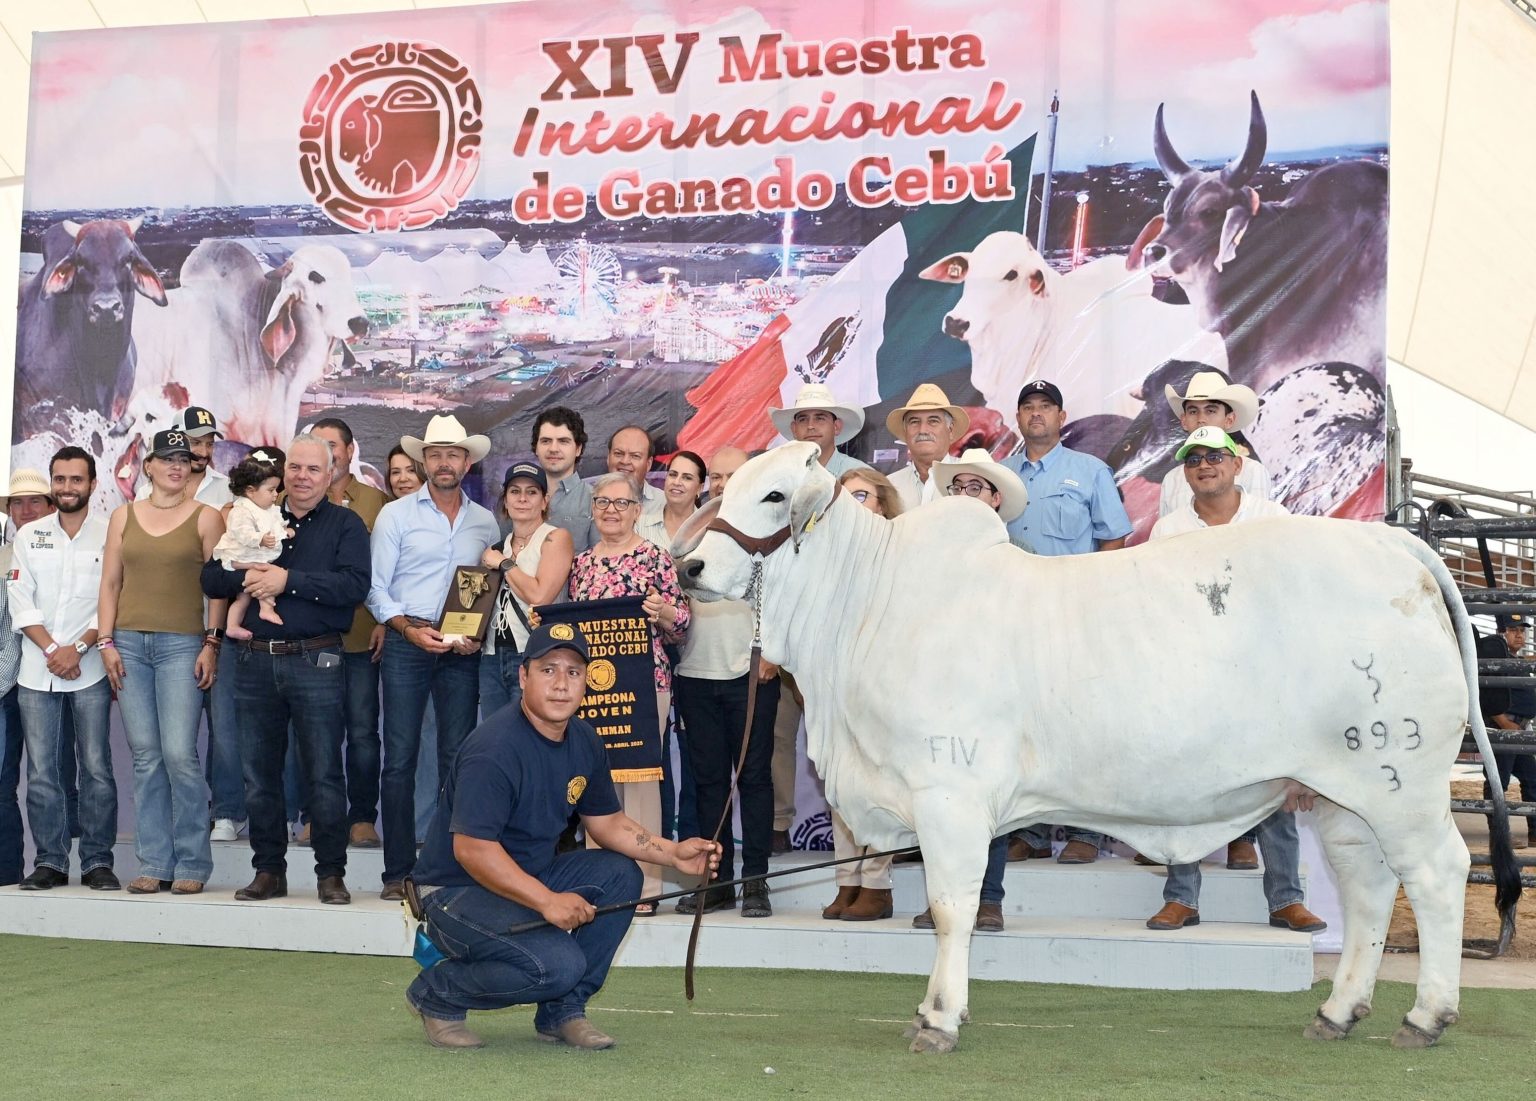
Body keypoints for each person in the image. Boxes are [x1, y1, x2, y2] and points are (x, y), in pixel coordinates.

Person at [405, 623, 721, 1051]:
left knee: (621, 876)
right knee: (557, 964)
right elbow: (473, 850)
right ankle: (437, 994)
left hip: (524, 876)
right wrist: (546, 900)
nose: (561, 684)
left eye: (573, 672)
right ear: (524, 677)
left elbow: (607, 823)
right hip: (454, 889)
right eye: (548, 669)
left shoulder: (584, 738)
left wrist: (673, 854)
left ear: (587, 682)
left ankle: (562, 1013)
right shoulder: (494, 748)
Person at [1144, 425, 1323, 934]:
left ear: (1237, 463)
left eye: (1215, 456)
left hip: (1262, 671)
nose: (1205, 465)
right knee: (1186, 785)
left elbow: (1296, 594)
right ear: (1185, 470)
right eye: (1194, 458)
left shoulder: (1273, 519)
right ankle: (1182, 897)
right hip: (1190, 672)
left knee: (1270, 782)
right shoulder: (1169, 529)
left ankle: (1286, 899)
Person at [200, 435, 371, 905]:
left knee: (324, 774)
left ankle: (330, 874)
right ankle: (268, 871)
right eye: (294, 467)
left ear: (332, 472)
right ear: (282, 469)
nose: (301, 476)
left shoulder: (346, 524)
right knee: (259, 775)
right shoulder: (248, 516)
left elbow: (354, 586)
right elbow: (211, 577)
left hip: (318, 658)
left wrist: (288, 581)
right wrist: (249, 577)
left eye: (313, 469)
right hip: (255, 659)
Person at [369, 414, 499, 901]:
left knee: (458, 758)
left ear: (467, 462)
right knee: (400, 758)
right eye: (436, 454)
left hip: (462, 649)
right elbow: (376, 589)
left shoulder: (485, 522)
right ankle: (397, 872)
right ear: (424, 461)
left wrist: (474, 633)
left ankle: (447, 866)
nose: (444, 462)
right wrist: (406, 628)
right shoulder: (396, 515)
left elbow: (486, 589)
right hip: (408, 641)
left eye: (453, 454)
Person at [1001, 380, 1132, 864]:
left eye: (1046, 408)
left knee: (1081, 725)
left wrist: (1093, 599)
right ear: (1018, 418)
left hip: (1075, 617)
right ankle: (1031, 833)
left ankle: (1086, 832)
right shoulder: (1000, 474)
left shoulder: (1090, 471)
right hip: (1014, 620)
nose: (1036, 415)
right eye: (1028, 408)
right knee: (1024, 727)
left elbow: (1113, 540)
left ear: (1060, 416)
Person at [98, 428, 227, 894]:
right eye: (167, 457)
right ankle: (154, 862)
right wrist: (106, 643)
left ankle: (191, 863)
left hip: (181, 646)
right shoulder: (122, 516)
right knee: (147, 756)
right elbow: (110, 584)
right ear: (147, 465)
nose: (177, 465)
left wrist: (211, 643)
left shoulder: (208, 517)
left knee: (179, 754)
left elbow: (219, 587)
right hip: (128, 645)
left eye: (185, 458)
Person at [910, 450, 1032, 933]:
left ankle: (989, 898)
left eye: (975, 487)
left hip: (999, 697)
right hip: (941, 697)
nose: (963, 496)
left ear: (996, 499)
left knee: (991, 802)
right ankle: (943, 898)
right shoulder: (925, 564)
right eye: (956, 488)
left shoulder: (1018, 560)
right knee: (938, 800)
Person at [568, 471, 691, 913]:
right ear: (592, 509)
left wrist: (663, 613)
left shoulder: (655, 556)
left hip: (645, 685)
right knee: (594, 786)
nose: (611, 511)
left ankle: (645, 887)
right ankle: (599, 885)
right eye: (603, 502)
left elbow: (682, 624)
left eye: (621, 503)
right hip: (592, 689)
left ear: (639, 511)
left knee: (639, 784)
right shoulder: (581, 563)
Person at [673, 449, 780, 918]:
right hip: (694, 674)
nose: (720, 483)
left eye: (731, 476)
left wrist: (773, 652)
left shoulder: (766, 532)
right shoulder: (688, 536)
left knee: (754, 779)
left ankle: (756, 883)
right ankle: (715, 883)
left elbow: (785, 593)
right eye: (714, 476)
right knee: (708, 783)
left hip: (749, 673)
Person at [12, 447, 118, 891]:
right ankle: (51, 861)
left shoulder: (112, 532)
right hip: (37, 672)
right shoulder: (29, 534)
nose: (68, 487)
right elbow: (22, 599)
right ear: (52, 484)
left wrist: (76, 648)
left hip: (90, 666)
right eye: (60, 479)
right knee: (42, 771)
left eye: (77, 479)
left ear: (93, 484)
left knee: (95, 767)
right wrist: (54, 649)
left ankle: (97, 861)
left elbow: (114, 596)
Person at [818, 467, 903, 921]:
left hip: (881, 680)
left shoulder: (898, 552)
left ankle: (877, 883)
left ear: (883, 504)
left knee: (875, 780)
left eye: (862, 495)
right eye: (843, 497)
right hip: (833, 678)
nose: (852, 505)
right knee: (839, 780)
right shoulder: (822, 554)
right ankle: (846, 880)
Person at [312, 417, 391, 848]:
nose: (326, 454)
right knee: (315, 730)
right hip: (311, 639)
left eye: (332, 445)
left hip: (362, 636)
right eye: (316, 446)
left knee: (362, 731)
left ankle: (362, 817)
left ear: (349, 450)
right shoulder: (294, 499)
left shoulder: (378, 502)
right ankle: (316, 815)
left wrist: (383, 620)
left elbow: (388, 569)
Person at [478, 459, 574, 717]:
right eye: (515, 491)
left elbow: (539, 596)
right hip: (491, 655)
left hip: (534, 653)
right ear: (505, 501)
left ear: (544, 501)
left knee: (534, 735)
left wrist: (505, 564)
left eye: (531, 492)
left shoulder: (555, 537)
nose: (522, 498)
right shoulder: (499, 546)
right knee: (496, 739)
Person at [1158, 370, 1270, 517]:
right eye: (1193, 411)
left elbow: (1259, 528)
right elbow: (1168, 536)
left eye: (1210, 411)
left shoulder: (1253, 471)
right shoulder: (1171, 480)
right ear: (1184, 421)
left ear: (1229, 420)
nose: (1201, 419)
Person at [211, 455, 292, 639]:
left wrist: (284, 530)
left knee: (244, 596)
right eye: (271, 489)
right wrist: (260, 539)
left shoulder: (268, 508)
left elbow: (275, 523)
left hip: (252, 556)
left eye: (277, 490)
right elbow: (242, 533)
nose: (275, 494)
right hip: (239, 556)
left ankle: (234, 625)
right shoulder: (241, 510)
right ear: (250, 490)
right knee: (263, 575)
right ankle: (263, 609)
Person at [1479, 612, 1536, 847]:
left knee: (1532, 778)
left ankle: (1535, 832)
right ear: (1501, 633)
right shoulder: (1495, 657)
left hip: (1517, 729)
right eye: (1513, 630)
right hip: (1504, 728)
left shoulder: (1510, 658)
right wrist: (1503, 723)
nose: (1519, 635)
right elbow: (1488, 693)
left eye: (1521, 631)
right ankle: (1499, 838)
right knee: (1497, 781)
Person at [0, 483, 26, 885]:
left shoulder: (9, 550)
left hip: (3, 691)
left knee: (1, 788)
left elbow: (10, 631)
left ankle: (5, 876)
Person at [887, 383, 969, 510]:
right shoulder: (890, 486)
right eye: (914, 422)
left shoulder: (973, 480)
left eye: (933, 421)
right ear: (905, 432)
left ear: (950, 430)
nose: (923, 430)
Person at [532, 406, 597, 553]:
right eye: (546, 441)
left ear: (578, 449)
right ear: (536, 447)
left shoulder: (595, 500)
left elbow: (599, 560)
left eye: (563, 441)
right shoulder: (517, 496)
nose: (553, 448)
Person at [769, 382, 871, 476]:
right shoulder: (780, 476)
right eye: (803, 419)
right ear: (794, 429)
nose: (810, 426)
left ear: (836, 427)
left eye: (820, 418)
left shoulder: (861, 475)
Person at [637, 450, 705, 551]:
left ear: (700, 488)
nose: (677, 482)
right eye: (673, 474)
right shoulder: (639, 525)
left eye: (687, 478)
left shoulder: (708, 530)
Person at [599, 425, 665, 517]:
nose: (625, 461)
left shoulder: (664, 504)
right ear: (608, 458)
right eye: (618, 453)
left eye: (635, 456)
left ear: (648, 464)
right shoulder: (589, 499)